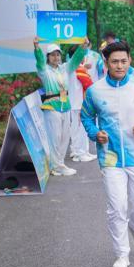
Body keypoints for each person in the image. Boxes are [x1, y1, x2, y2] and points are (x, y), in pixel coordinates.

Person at [81, 41, 134, 267]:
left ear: (130, 61)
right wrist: (94, 132)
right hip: (110, 158)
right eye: (115, 62)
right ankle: (121, 254)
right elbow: (87, 117)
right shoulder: (95, 91)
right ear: (106, 63)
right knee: (117, 207)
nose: (120, 65)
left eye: (123, 61)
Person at [33, 37, 88, 176]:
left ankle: (59, 164)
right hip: (52, 106)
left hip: (65, 105)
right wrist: (37, 48)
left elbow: (75, 60)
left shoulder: (64, 68)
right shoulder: (44, 70)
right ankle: (56, 166)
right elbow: (39, 62)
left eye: (58, 54)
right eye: (52, 55)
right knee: (55, 137)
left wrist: (83, 47)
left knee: (65, 136)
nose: (56, 57)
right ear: (48, 57)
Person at [67, 45, 97, 163]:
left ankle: (79, 151)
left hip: (76, 103)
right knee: (80, 129)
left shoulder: (74, 68)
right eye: (83, 54)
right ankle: (80, 153)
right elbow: (89, 85)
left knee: (77, 129)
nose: (85, 57)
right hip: (78, 103)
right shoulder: (78, 69)